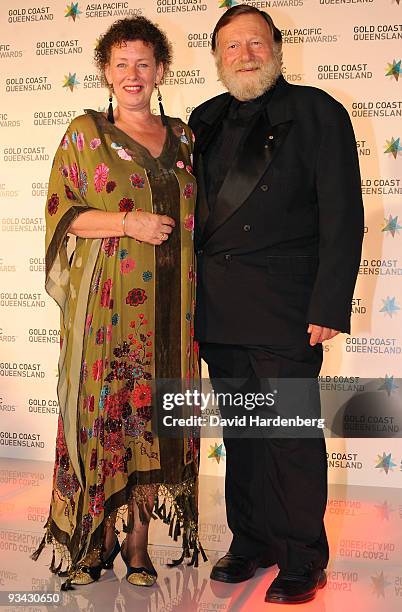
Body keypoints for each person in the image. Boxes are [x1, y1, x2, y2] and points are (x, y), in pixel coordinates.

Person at [189, 5, 363, 605]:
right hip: (219, 308)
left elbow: (343, 216)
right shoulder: (203, 120)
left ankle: (302, 556)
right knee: (241, 434)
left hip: (288, 308)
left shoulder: (317, 112)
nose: (245, 55)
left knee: (287, 434)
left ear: (277, 48)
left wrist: (328, 303)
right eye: (231, 46)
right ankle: (252, 540)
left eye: (255, 43)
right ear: (217, 57)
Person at [31, 16, 203, 590]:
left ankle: (137, 547)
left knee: (156, 425)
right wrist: (127, 221)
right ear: (105, 69)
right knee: (105, 419)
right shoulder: (85, 133)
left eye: (145, 63)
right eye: (122, 62)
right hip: (109, 310)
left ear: (161, 70)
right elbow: (63, 214)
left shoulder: (184, 137)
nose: (133, 74)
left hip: (173, 315)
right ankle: (93, 541)